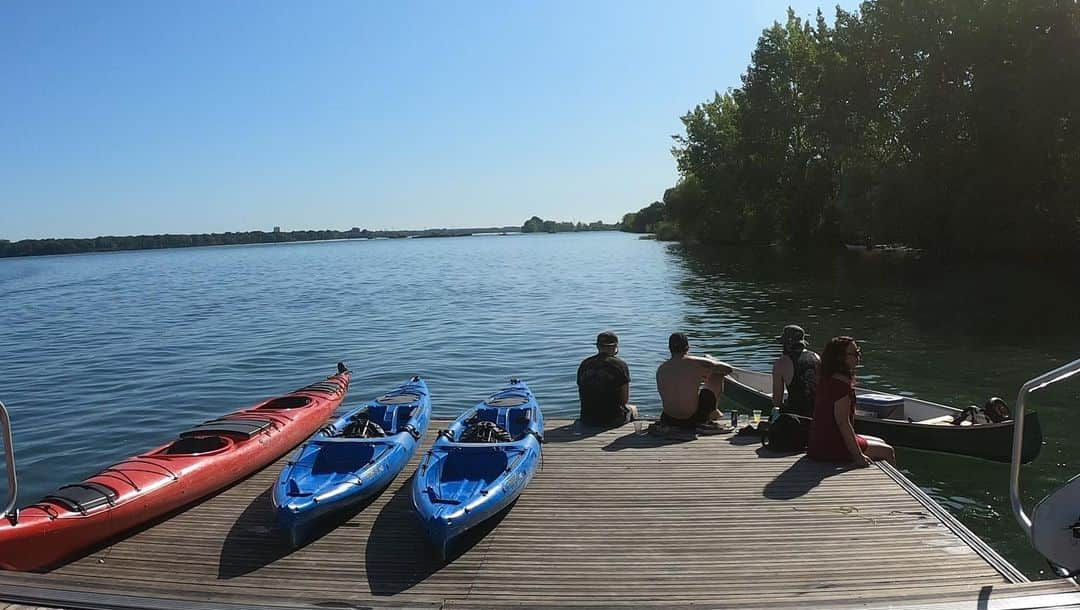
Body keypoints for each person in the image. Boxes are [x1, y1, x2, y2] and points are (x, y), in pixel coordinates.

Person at [807, 337, 896, 467]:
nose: (858, 357)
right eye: (854, 354)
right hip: (831, 446)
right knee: (888, 451)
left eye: (858, 352)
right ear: (839, 357)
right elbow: (842, 422)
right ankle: (889, 486)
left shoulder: (826, 378)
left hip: (817, 442)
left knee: (880, 441)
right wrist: (858, 456)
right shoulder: (841, 386)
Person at [654, 332, 733, 437]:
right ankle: (708, 418)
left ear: (670, 348)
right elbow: (728, 369)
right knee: (717, 376)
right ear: (688, 347)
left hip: (669, 419)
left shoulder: (661, 368)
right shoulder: (696, 363)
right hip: (692, 419)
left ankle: (709, 416)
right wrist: (709, 363)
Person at [577, 331, 638, 427]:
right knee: (633, 409)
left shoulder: (585, 364)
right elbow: (624, 400)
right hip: (612, 419)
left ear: (598, 347)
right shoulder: (620, 365)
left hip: (586, 418)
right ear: (615, 347)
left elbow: (582, 393)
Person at [771, 325, 820, 417]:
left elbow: (777, 401)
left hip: (796, 416)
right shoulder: (816, 357)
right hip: (819, 413)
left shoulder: (781, 362)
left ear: (787, 344)